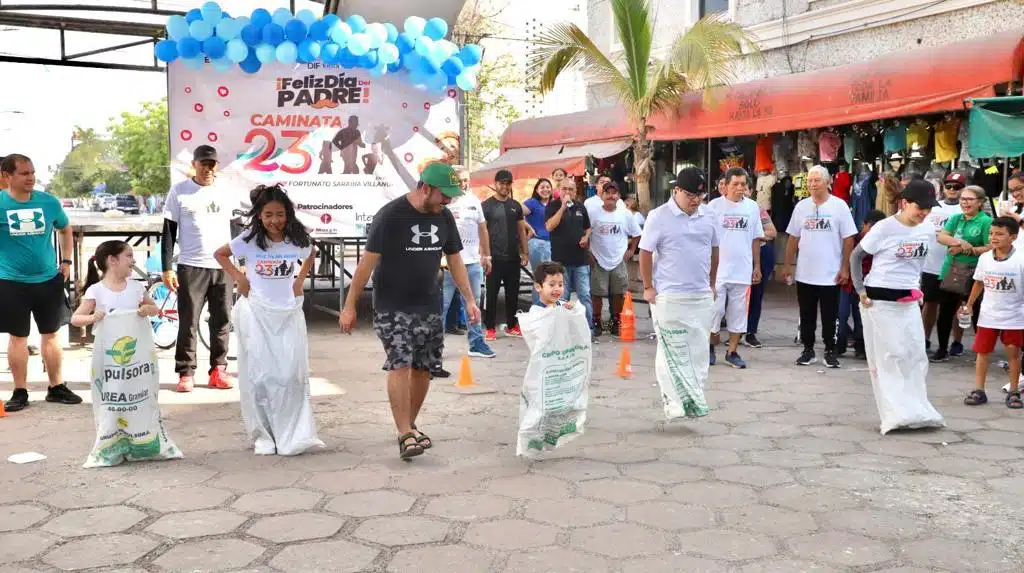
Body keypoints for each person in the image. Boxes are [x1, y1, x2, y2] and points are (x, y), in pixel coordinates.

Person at [339, 162, 480, 460]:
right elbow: (366, 264)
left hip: (428, 304)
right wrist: (350, 305)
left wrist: (469, 299)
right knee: (400, 361)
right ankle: (404, 433)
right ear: (425, 188)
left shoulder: (444, 217)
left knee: (423, 368)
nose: (449, 201)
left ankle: (410, 425)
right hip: (393, 305)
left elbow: (455, 260)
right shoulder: (390, 216)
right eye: (444, 194)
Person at [214, 184, 322, 455]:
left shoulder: (296, 238)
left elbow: (311, 254)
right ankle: (264, 435)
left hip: (287, 312)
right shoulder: (249, 238)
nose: (275, 220)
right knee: (260, 377)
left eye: (280, 214)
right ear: (259, 216)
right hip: (256, 312)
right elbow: (220, 254)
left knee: (290, 375)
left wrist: (300, 280)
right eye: (268, 215)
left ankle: (293, 433)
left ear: (288, 214)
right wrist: (239, 276)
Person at [852, 181, 943, 433]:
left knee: (915, 355)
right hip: (879, 300)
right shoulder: (884, 228)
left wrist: (919, 288)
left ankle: (918, 410)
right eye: (919, 207)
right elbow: (856, 256)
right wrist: (860, 289)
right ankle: (895, 414)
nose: (924, 213)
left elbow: (919, 264)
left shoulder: (925, 230)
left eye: (928, 208)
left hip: (909, 299)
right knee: (892, 356)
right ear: (904, 203)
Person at [0, 154, 81, 412]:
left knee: (52, 335)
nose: (31, 177)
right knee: (18, 337)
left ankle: (56, 387)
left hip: (48, 280)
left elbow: (65, 228)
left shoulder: (48, 202)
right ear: (7, 176)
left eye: (32, 172)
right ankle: (20, 391)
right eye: (24, 173)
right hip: (11, 282)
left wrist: (66, 261)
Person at [639, 167, 718, 419]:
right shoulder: (658, 216)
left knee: (698, 350)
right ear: (676, 191)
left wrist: (712, 283)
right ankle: (673, 402)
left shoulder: (708, 216)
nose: (695, 200)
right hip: (669, 295)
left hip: (700, 294)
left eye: (701, 195)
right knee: (671, 349)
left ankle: (694, 399)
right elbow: (645, 252)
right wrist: (648, 286)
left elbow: (714, 250)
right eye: (690, 195)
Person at [161, 145, 237, 393]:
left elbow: (236, 230)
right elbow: (169, 232)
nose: (208, 168)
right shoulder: (180, 191)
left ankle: (218, 369)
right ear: (194, 164)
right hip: (191, 266)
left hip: (222, 265)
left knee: (222, 319)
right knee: (188, 321)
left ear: (217, 166)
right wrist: (167, 268)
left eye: (212, 164)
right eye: (203, 163)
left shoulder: (226, 192)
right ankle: (186, 372)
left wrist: (240, 264)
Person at [782, 165, 858, 369]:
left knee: (830, 315)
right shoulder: (801, 207)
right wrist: (788, 264)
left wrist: (845, 268)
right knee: (806, 314)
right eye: (810, 181)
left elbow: (848, 238)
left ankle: (830, 350)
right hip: (805, 273)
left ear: (827, 182)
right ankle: (808, 349)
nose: (812, 184)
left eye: (817, 180)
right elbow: (793, 237)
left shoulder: (839, 206)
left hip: (830, 274)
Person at [961, 216, 1024, 409]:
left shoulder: (1021, 259)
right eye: (991, 233)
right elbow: (978, 283)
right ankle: (979, 390)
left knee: (1013, 352)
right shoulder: (985, 258)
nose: (994, 237)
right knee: (982, 352)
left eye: (999, 234)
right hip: (988, 315)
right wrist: (969, 305)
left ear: (1013, 237)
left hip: (1014, 316)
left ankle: (1014, 392)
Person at [707, 168, 764, 368]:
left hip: (742, 270)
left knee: (738, 313)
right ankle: (709, 348)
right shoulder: (713, 207)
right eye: (735, 184)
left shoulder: (752, 208)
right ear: (726, 186)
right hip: (718, 271)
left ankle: (732, 352)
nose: (740, 188)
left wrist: (757, 266)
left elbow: (756, 238)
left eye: (743, 184)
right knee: (714, 311)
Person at [441, 165, 496, 359]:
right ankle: (434, 347)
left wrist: (486, 255)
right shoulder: (445, 201)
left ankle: (476, 343)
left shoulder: (474, 201)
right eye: (459, 179)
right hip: (450, 263)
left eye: (466, 179)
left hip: (473, 263)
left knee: (474, 303)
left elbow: (482, 229)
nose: (463, 183)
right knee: (443, 304)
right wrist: (440, 258)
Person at [932, 185, 992, 362]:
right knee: (945, 312)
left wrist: (969, 250)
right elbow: (942, 237)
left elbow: (990, 246)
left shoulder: (985, 221)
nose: (964, 203)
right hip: (951, 270)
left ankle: (981, 352)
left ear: (980, 202)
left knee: (976, 312)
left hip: (975, 273)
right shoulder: (956, 218)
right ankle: (942, 348)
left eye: (969, 199)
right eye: (962, 199)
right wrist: (960, 242)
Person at [587, 181, 641, 338]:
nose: (611, 196)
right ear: (602, 195)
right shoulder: (593, 213)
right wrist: (589, 254)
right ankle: (597, 323)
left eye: (614, 193)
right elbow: (586, 233)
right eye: (607, 193)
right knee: (596, 294)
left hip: (618, 260)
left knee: (618, 294)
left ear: (618, 196)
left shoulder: (625, 214)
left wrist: (631, 250)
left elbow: (636, 234)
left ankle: (614, 323)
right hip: (598, 259)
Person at [921, 172, 966, 353]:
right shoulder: (934, 208)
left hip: (955, 265)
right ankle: (925, 338)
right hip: (931, 263)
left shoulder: (965, 210)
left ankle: (957, 341)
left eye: (957, 187)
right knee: (930, 303)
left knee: (956, 305)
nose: (952, 190)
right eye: (949, 186)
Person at [482, 169, 529, 340]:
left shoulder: (515, 206)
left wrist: (525, 252)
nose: (505, 186)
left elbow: (522, 231)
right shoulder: (486, 205)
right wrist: (484, 255)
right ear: (495, 184)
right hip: (493, 259)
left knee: (513, 294)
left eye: (508, 183)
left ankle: (511, 325)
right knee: (492, 294)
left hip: (513, 258)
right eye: (501, 183)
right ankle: (490, 328)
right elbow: (482, 232)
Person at [545, 175, 594, 330]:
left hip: (580, 260)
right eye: (564, 189)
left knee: (585, 296)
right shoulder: (552, 206)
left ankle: (588, 329)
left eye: (571, 189)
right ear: (559, 191)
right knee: (562, 297)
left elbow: (588, 227)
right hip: (561, 261)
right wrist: (563, 207)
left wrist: (586, 237)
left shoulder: (581, 207)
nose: (567, 192)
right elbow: (549, 227)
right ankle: (561, 330)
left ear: (575, 192)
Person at [837, 210, 886, 358]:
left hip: (865, 285)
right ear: (864, 225)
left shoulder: (882, 241)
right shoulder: (852, 239)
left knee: (861, 317)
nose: (873, 231)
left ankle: (861, 347)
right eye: (871, 227)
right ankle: (840, 344)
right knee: (841, 314)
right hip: (846, 283)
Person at [743, 186, 778, 349]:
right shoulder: (720, 208)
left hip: (761, 254)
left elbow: (772, 232)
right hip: (736, 257)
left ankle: (750, 332)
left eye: (744, 187)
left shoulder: (756, 209)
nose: (741, 190)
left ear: (750, 191)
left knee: (756, 294)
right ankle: (735, 332)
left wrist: (753, 235)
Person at [523, 178, 553, 305]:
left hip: (552, 244)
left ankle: (548, 306)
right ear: (536, 189)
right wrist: (528, 227)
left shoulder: (554, 204)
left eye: (548, 187)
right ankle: (538, 307)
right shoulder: (532, 203)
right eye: (542, 187)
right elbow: (516, 213)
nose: (545, 189)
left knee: (551, 278)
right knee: (541, 277)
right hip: (537, 243)